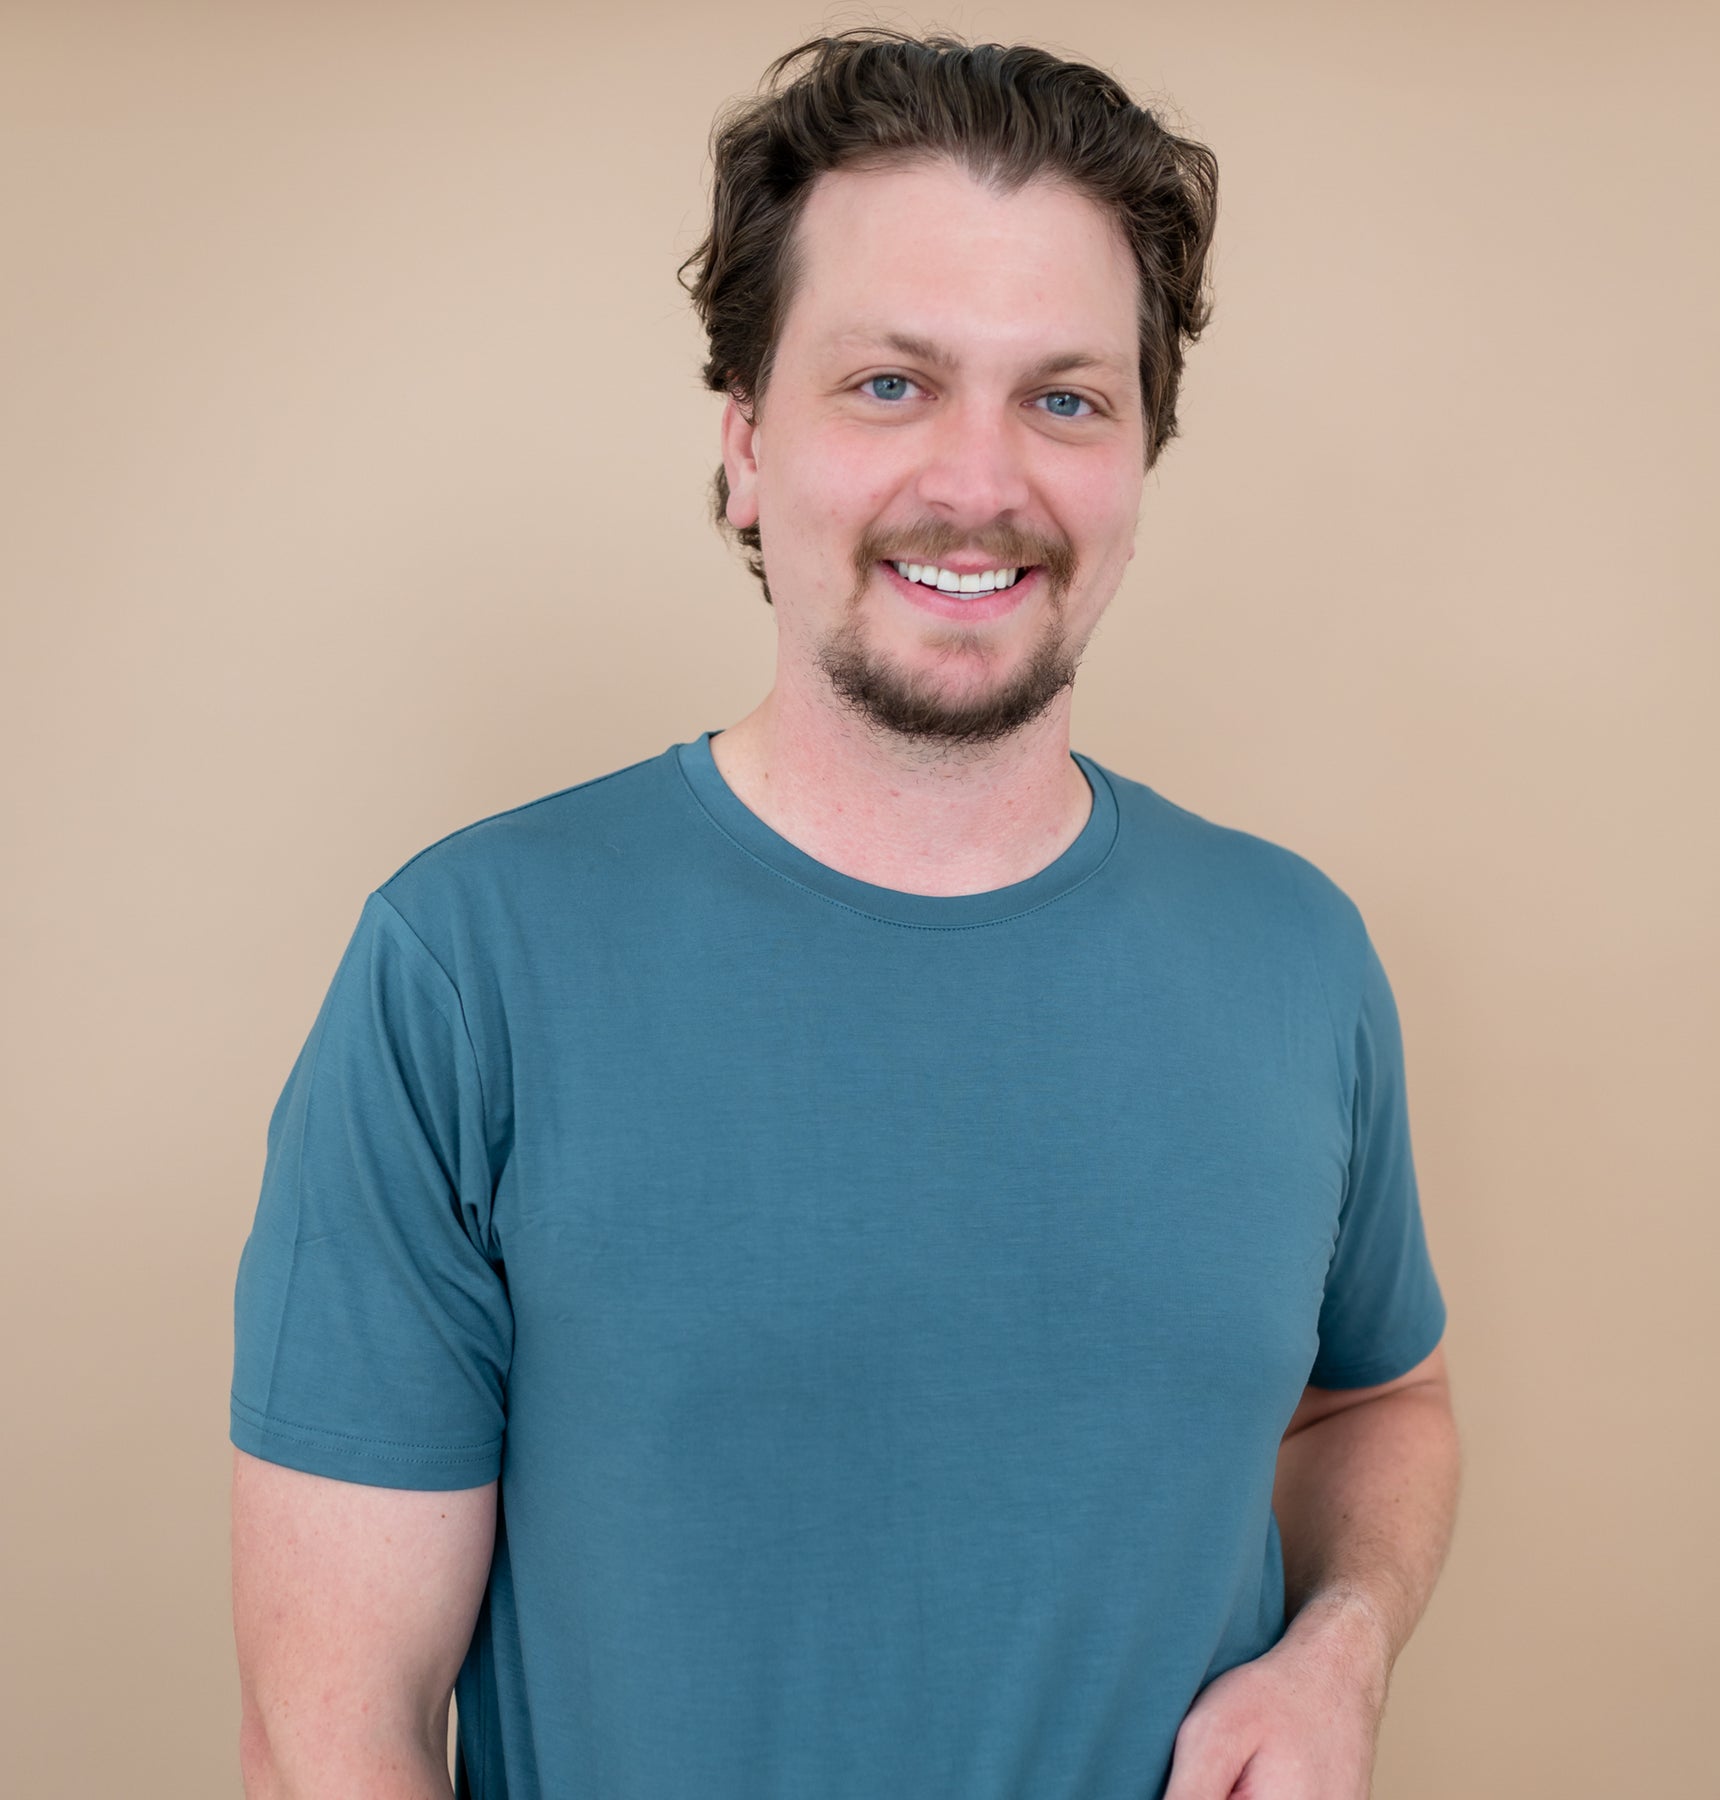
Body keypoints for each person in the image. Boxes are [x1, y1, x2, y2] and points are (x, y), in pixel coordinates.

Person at [230, 28, 1460, 1800]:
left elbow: (1378, 1405)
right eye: (891, 384)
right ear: (744, 446)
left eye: (1066, 396)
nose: (980, 482)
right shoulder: (465, 968)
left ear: (1137, 465)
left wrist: (1339, 1654)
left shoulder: (1298, 958)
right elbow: (329, 1743)